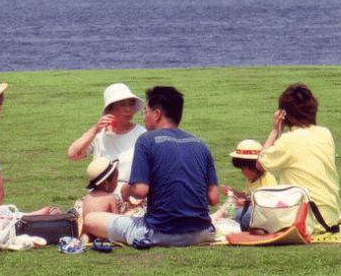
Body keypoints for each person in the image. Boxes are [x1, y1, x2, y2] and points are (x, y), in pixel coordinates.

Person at [84, 86, 219, 247]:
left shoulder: (146, 140)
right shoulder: (201, 144)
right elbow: (214, 198)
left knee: (90, 219)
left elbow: (140, 191)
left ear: (157, 114)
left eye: (145, 112)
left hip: (158, 232)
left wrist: (127, 190)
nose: (143, 117)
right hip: (202, 232)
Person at [257, 83, 341, 232]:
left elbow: (260, 163)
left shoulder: (289, 140)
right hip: (330, 216)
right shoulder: (325, 133)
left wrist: (275, 131)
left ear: (283, 114)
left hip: (306, 220)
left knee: (247, 215)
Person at [67, 83, 146, 197]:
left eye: (131, 104)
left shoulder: (141, 134)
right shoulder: (99, 134)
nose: (128, 109)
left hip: (128, 195)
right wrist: (94, 130)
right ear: (110, 109)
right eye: (122, 105)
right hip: (100, 194)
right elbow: (72, 154)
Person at [210, 139, 277, 227]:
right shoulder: (251, 179)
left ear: (253, 167)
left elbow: (267, 205)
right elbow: (246, 196)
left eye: (243, 168)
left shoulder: (267, 180)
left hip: (263, 215)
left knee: (236, 212)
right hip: (253, 211)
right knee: (231, 201)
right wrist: (232, 192)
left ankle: (219, 219)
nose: (242, 172)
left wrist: (244, 203)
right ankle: (216, 217)